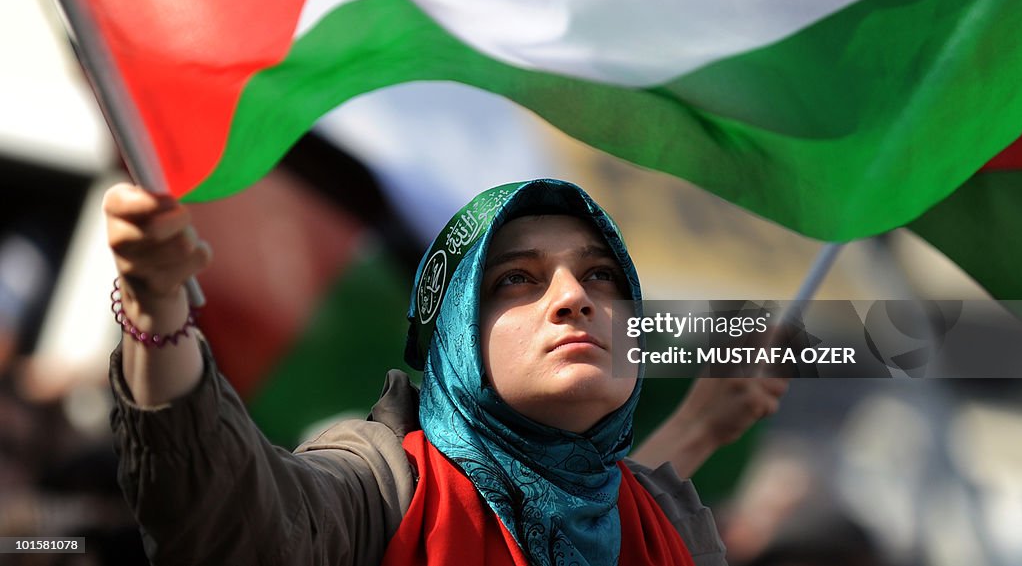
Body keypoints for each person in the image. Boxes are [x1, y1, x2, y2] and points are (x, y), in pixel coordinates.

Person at [104, 178, 756, 565]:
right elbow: (230, 519)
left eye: (602, 274)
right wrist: (157, 309)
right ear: (453, 339)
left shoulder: (674, 523)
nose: (574, 298)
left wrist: (698, 425)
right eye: (516, 279)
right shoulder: (382, 486)